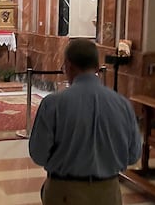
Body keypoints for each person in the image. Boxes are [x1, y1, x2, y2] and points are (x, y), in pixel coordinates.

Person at [29, 38, 141, 205]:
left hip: (65, 192)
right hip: (108, 192)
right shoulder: (123, 104)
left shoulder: (53, 104)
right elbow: (133, 155)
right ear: (97, 67)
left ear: (68, 65)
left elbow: (39, 154)